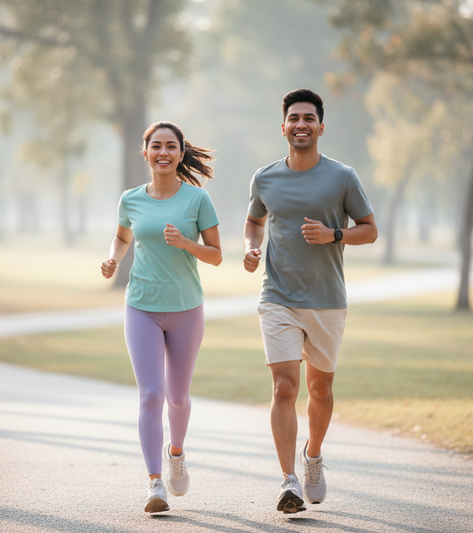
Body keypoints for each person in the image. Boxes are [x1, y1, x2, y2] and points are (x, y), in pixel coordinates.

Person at [243, 89, 377, 514]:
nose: (301, 124)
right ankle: (288, 482)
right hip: (278, 295)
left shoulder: (342, 177)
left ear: (321, 126)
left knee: (320, 389)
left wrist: (334, 234)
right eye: (293, 118)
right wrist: (251, 246)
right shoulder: (264, 177)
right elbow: (253, 219)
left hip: (326, 300)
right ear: (282, 127)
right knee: (284, 386)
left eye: (309, 118)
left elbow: (370, 229)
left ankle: (313, 456)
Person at [101, 121, 222, 514]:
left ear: (181, 153)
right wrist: (113, 259)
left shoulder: (197, 200)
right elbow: (122, 236)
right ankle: (155, 482)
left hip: (187, 308)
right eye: (156, 146)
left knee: (178, 396)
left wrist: (187, 243)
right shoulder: (131, 199)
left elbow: (216, 254)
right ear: (146, 152)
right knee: (151, 394)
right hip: (141, 307)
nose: (163, 152)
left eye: (171, 146)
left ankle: (177, 452)